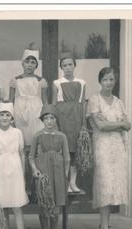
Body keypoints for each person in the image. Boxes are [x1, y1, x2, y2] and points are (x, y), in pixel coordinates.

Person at [86, 67, 130, 229]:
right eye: (105, 79)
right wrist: (118, 124)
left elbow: (128, 124)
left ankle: (107, 225)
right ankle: (103, 228)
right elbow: (100, 126)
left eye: (112, 79)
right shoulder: (95, 101)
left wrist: (118, 124)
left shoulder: (119, 102)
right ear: (100, 81)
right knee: (105, 183)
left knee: (114, 185)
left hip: (118, 147)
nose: (109, 83)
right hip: (103, 146)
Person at [0, 103, 35, 229]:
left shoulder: (17, 133)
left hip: (14, 168)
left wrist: (22, 173)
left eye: (8, 115)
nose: (5, 117)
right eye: (2, 115)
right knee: (3, 206)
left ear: (12, 118)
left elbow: (22, 153)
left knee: (17, 205)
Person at [29, 104, 70, 229]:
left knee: (56, 206)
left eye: (52, 118)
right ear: (42, 120)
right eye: (46, 118)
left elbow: (67, 158)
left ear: (56, 120)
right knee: (45, 205)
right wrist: (35, 170)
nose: (49, 121)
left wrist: (65, 176)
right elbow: (31, 156)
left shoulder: (62, 136)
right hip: (44, 173)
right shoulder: (38, 136)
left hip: (58, 173)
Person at [9, 49, 48, 195]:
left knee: (35, 148)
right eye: (27, 61)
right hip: (20, 114)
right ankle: (23, 185)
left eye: (33, 62)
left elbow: (45, 101)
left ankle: (35, 185)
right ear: (22, 63)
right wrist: (11, 119)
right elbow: (11, 100)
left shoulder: (40, 81)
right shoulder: (15, 80)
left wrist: (46, 118)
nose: (30, 65)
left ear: (36, 65)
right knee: (22, 149)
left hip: (36, 113)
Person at [52, 55, 87, 193]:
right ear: (61, 67)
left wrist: (83, 122)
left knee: (76, 151)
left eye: (70, 64)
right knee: (64, 150)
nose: (67, 68)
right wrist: (55, 123)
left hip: (77, 118)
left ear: (74, 65)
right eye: (64, 65)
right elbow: (54, 104)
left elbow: (83, 103)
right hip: (63, 118)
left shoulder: (82, 82)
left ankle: (73, 182)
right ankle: (65, 182)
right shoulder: (57, 83)